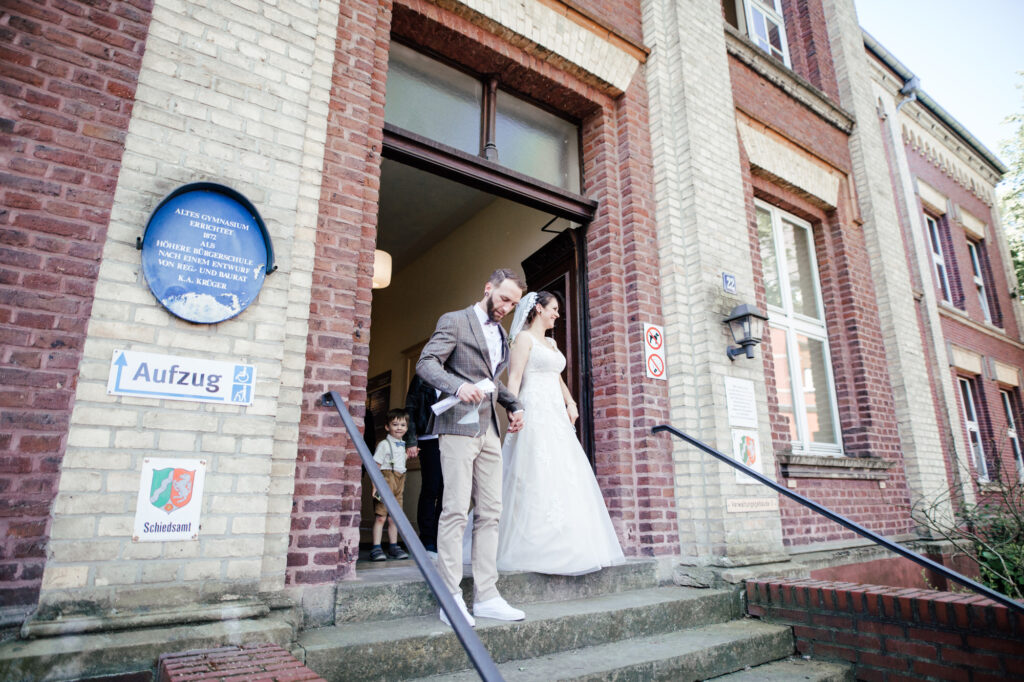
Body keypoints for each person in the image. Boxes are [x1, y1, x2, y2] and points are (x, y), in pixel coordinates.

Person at [417, 268, 527, 627]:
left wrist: (514, 405)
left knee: (490, 513)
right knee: (454, 510)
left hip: (489, 430)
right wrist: (455, 387)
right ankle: (450, 598)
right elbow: (426, 363)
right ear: (488, 288)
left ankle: (487, 596)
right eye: (504, 298)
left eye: (513, 303)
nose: (506, 307)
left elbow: (492, 381)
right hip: (457, 427)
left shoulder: (501, 335)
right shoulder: (455, 320)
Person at [497, 290, 625, 575]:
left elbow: (556, 377)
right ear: (538, 309)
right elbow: (514, 377)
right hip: (533, 410)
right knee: (534, 471)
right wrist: (513, 409)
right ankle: (532, 543)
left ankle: (569, 542)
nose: (557, 314)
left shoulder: (552, 343)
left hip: (556, 413)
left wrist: (570, 402)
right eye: (553, 308)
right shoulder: (523, 339)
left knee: (563, 472)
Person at [369, 408, 417, 561]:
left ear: (407, 428)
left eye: (402, 425)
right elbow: (375, 466)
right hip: (386, 480)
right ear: (387, 427)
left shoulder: (404, 445)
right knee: (381, 517)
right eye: (395, 424)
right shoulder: (383, 445)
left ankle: (393, 546)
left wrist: (409, 455)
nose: (399, 428)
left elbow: (400, 463)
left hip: (399, 482)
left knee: (394, 518)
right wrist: (375, 486)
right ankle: (376, 547)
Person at [406, 373, 443, 555]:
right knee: (431, 488)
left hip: (452, 438)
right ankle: (427, 539)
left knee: (448, 491)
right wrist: (411, 440)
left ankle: (441, 540)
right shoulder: (422, 376)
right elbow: (410, 408)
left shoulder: (456, 372)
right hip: (429, 438)